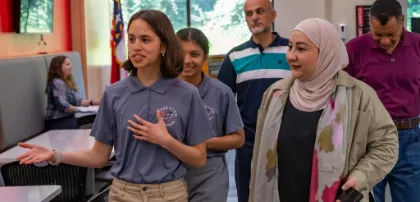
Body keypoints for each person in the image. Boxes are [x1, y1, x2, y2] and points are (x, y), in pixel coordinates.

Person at [17, 10, 215, 202]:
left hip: (169, 194)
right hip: (123, 194)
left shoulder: (187, 93)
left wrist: (165, 140)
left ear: (163, 46)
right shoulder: (113, 93)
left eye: (145, 40)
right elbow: (98, 156)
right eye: (131, 39)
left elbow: (199, 158)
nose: (136, 46)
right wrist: (55, 155)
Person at [249, 18, 399, 202]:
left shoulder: (360, 96)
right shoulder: (275, 94)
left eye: (301, 49)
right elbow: (259, 158)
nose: (291, 55)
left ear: (326, 53)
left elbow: (386, 146)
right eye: (290, 47)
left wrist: (359, 178)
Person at [345, 0, 420, 201]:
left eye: (391, 35)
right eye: (378, 35)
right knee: (369, 197)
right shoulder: (354, 49)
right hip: (368, 138)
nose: (385, 41)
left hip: (408, 138)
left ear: (402, 21)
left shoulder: (418, 45)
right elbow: (341, 94)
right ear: (370, 23)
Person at [217, 0, 290, 201]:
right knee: (247, 194)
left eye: (260, 11)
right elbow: (222, 100)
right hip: (248, 141)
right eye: (249, 14)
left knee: (285, 192)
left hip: (285, 137)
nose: (254, 17)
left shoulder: (292, 51)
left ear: (273, 15)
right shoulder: (235, 56)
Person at [176, 27, 245, 202]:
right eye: (181, 53)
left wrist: (201, 142)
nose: (187, 60)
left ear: (205, 57)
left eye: (194, 54)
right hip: (172, 172)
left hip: (210, 174)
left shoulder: (221, 92)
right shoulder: (163, 91)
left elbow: (238, 138)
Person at [44, 56, 100, 130]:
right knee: (99, 121)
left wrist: (94, 102)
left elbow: (77, 101)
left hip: (67, 119)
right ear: (58, 67)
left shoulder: (64, 82)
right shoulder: (57, 82)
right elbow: (64, 106)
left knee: (98, 118)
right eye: (67, 64)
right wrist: (81, 110)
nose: (71, 67)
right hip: (58, 122)